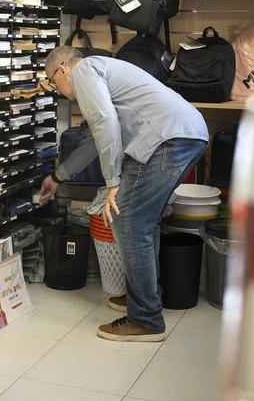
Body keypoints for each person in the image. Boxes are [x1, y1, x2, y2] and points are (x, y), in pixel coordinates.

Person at [38, 46, 208, 342]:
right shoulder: (100, 71)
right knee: (143, 222)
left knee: (128, 220)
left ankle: (145, 319)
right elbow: (95, 140)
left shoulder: (84, 70)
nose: (57, 90)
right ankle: (144, 297)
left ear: (63, 69)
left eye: (53, 82)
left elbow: (105, 123)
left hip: (167, 138)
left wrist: (113, 180)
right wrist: (57, 177)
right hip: (184, 134)